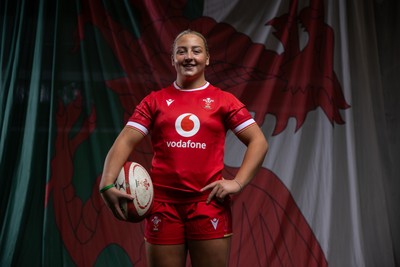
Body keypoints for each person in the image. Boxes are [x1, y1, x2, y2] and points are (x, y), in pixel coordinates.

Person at [99, 29, 268, 267]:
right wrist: (106, 183)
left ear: (207, 58)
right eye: (182, 51)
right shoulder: (154, 101)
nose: (189, 56)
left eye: (196, 51)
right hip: (163, 205)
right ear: (173, 59)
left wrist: (237, 182)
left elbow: (258, 142)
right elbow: (126, 139)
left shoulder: (223, 100)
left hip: (207, 204)